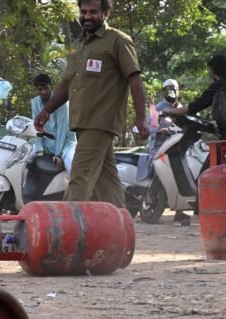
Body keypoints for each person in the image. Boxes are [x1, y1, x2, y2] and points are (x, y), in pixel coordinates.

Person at [34, 0, 150, 208]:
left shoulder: (118, 41)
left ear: (105, 13)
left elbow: (135, 79)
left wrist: (141, 118)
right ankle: (121, 230)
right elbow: (67, 83)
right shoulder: (78, 44)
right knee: (108, 183)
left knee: (80, 177)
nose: (87, 16)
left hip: (101, 121)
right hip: (82, 122)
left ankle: (64, 231)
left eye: (93, 12)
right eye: (84, 11)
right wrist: (47, 110)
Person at [163, 55, 226, 141]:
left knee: (212, 156)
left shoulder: (219, 86)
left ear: (213, 70)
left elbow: (194, 107)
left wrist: (170, 110)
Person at [152, 78, 191, 225]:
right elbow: (151, 128)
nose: (172, 92)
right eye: (168, 89)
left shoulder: (181, 108)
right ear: (164, 91)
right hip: (160, 147)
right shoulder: (158, 108)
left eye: (174, 89)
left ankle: (179, 211)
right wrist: (159, 130)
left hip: (177, 147)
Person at [30, 73, 77, 173]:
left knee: (72, 166)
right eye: (40, 89)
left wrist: (58, 154)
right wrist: (39, 149)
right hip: (47, 143)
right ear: (36, 90)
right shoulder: (35, 102)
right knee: (25, 160)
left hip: (65, 144)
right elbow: (37, 129)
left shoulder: (61, 103)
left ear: (51, 87)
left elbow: (62, 130)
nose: (43, 92)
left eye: (46, 88)